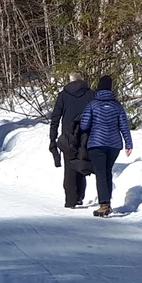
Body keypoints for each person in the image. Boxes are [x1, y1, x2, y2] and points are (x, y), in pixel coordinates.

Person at [78, 74, 132, 216]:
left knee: (101, 174)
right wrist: (128, 143)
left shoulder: (92, 104)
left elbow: (84, 125)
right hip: (114, 144)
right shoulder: (117, 105)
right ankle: (107, 202)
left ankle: (104, 205)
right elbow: (124, 126)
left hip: (96, 144)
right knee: (107, 172)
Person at [47, 76, 94, 208]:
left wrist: (53, 137)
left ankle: (71, 200)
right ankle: (79, 196)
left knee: (69, 167)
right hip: (86, 134)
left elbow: (55, 117)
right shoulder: (91, 94)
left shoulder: (63, 95)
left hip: (68, 136)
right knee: (82, 163)